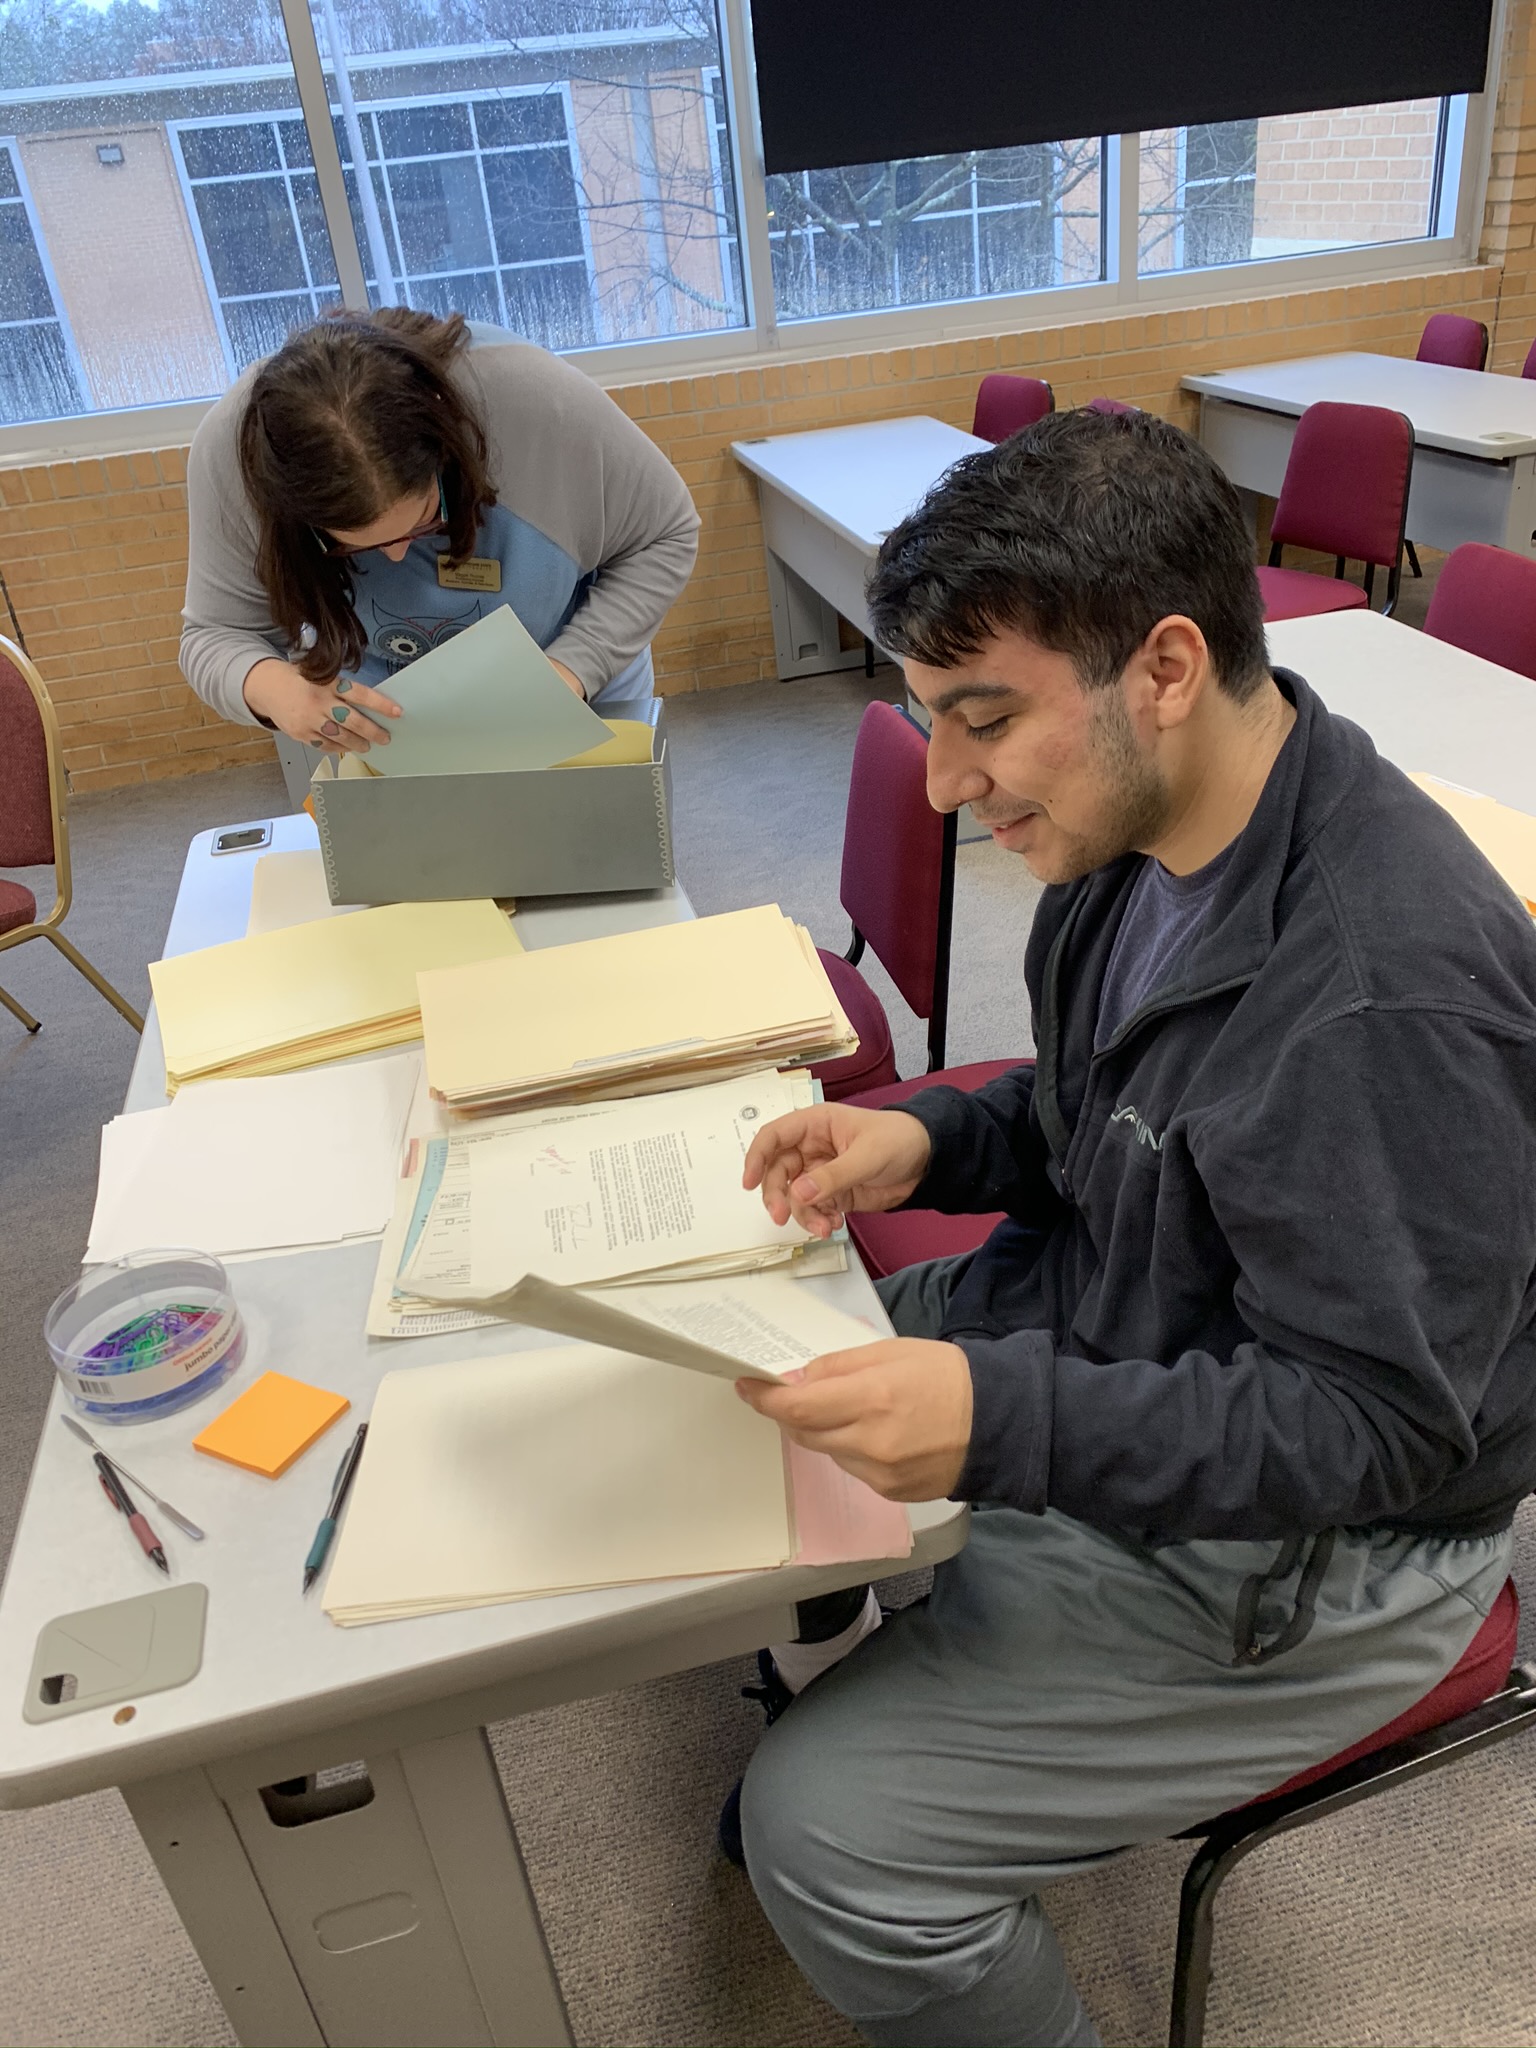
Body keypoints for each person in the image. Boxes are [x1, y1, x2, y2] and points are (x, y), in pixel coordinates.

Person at [727, 410, 1536, 2048]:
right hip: (1134, 1321)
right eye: (925, 722)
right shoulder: (1144, 827)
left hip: (1340, 1550)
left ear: (1163, 665)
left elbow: (1379, 1424)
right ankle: (951, 1624)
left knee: (822, 1834)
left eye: (983, 720)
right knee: (762, 1386)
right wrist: (930, 1129)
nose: (947, 783)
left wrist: (1002, 1415)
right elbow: (1126, 1107)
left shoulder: (1378, 998)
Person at [180, 307, 699, 755]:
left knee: (604, 845)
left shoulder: (537, 404)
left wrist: (572, 670)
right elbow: (213, 634)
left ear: (448, 447)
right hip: (386, 718)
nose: (401, 555)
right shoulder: (235, 455)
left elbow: (668, 533)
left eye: (428, 518)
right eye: (351, 546)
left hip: (568, 663)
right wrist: (270, 688)